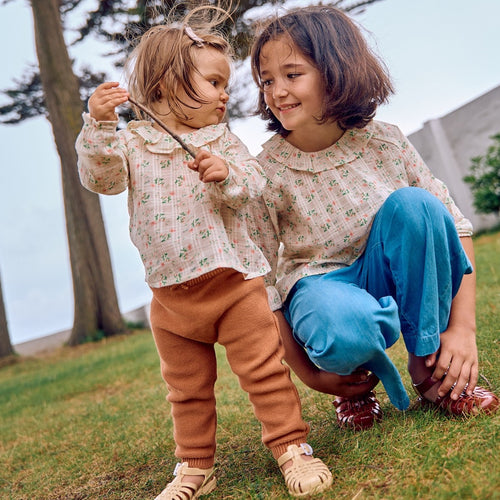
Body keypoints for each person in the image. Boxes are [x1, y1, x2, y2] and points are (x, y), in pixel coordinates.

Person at [75, 4, 333, 499]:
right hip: (170, 296)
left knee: (263, 371)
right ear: (165, 84)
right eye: (213, 83)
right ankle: (194, 467)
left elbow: (255, 185)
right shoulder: (131, 142)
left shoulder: (222, 140)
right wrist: (100, 126)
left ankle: (291, 447)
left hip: (233, 283)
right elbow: (102, 181)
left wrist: (226, 175)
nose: (223, 95)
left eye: (224, 84)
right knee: (186, 390)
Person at [249, 5, 499, 431]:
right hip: (322, 287)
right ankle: (355, 386)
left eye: (292, 75)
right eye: (267, 80)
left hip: (388, 269)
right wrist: (311, 375)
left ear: (336, 69)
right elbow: (262, 281)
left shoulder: (385, 141)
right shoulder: (265, 172)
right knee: (341, 322)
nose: (277, 92)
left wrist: (463, 330)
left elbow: (455, 225)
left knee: (417, 205)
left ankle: (431, 367)